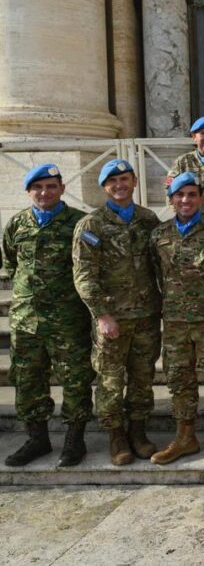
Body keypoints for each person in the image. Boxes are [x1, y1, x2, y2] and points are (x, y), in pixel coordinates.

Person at [73, 159, 163, 465]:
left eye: (124, 179)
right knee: (110, 380)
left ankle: (138, 431)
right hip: (113, 319)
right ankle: (116, 436)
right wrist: (101, 315)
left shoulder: (148, 219)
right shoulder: (92, 225)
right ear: (105, 187)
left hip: (146, 315)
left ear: (134, 181)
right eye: (112, 181)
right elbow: (84, 275)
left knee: (142, 376)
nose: (119, 185)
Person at [2, 164, 92, 467]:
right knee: (28, 380)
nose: (44, 192)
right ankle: (37, 438)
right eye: (38, 187)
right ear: (29, 191)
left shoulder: (79, 223)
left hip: (68, 319)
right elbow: (11, 265)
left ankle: (74, 439)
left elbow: (88, 268)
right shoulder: (17, 224)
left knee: (75, 379)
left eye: (51, 186)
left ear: (62, 189)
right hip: (26, 322)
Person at [149, 172, 204, 465]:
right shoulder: (159, 234)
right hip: (175, 322)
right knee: (179, 381)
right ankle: (185, 437)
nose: (185, 200)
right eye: (179, 195)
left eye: (191, 194)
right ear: (172, 199)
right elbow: (156, 275)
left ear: (201, 198)